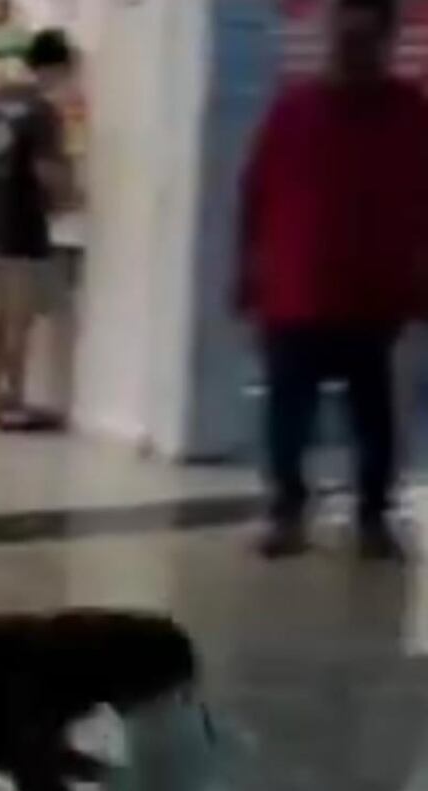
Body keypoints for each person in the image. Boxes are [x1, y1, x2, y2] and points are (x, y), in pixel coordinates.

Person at [237, 0, 428, 561]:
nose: (351, 53)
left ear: (386, 44)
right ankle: (287, 512)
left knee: (374, 417)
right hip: (295, 292)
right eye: (343, 41)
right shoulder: (292, 109)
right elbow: (255, 195)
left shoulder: (410, 113)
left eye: (364, 42)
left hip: (375, 296)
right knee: (288, 413)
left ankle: (372, 516)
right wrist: (248, 274)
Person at [0, 26, 76, 429]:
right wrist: (69, 196)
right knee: (17, 319)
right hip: (22, 223)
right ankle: (13, 400)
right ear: (56, 67)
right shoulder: (42, 111)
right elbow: (46, 170)